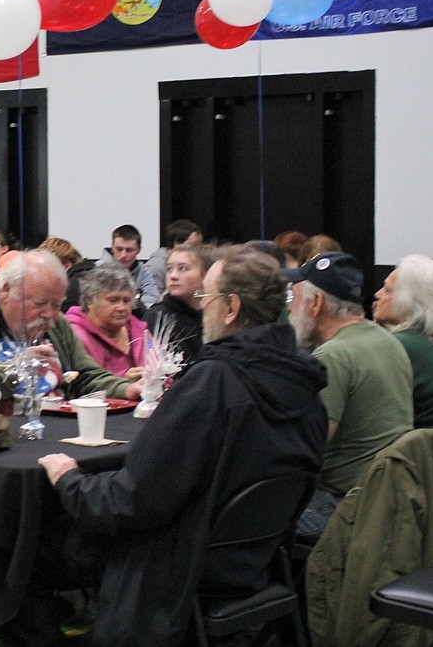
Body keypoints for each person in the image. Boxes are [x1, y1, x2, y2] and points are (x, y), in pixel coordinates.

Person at [32, 246, 328, 647]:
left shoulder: (215, 385)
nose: (201, 306)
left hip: (179, 565)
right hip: (257, 559)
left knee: (28, 541)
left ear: (231, 307)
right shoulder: (305, 383)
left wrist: (69, 480)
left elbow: (129, 501)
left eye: (206, 297)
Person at [286, 251, 414, 539]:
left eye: (294, 298)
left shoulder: (332, 356)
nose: (291, 309)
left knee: (241, 516)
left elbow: (307, 448)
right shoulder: (387, 340)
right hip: (390, 500)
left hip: (343, 505)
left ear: (316, 303)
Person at [0, 250, 141, 405]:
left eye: (56, 304)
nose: (49, 314)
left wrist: (125, 388)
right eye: (39, 303)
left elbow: (85, 375)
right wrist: (13, 369)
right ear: (7, 292)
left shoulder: (57, 324)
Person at [372, 254, 433, 428]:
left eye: (387, 290)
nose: (377, 294)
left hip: (417, 451)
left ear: (407, 299)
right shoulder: (427, 339)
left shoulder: (399, 345)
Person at [64, 263, 150, 379]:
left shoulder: (138, 328)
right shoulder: (75, 335)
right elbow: (79, 383)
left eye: (126, 300)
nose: (122, 308)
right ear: (90, 301)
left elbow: (162, 368)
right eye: (113, 300)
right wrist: (122, 380)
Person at [144, 242, 214, 369]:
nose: (173, 276)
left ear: (206, 275)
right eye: (169, 269)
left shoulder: (214, 313)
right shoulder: (158, 317)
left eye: (183, 268)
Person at [97, 224, 162, 312]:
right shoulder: (97, 270)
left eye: (129, 250)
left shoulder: (144, 271)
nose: (123, 255)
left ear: (139, 250)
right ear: (112, 247)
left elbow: (153, 299)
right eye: (119, 249)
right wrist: (136, 299)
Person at [142, 219, 202, 291]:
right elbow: (154, 300)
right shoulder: (156, 267)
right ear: (177, 243)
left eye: (199, 246)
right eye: (193, 246)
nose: (197, 250)